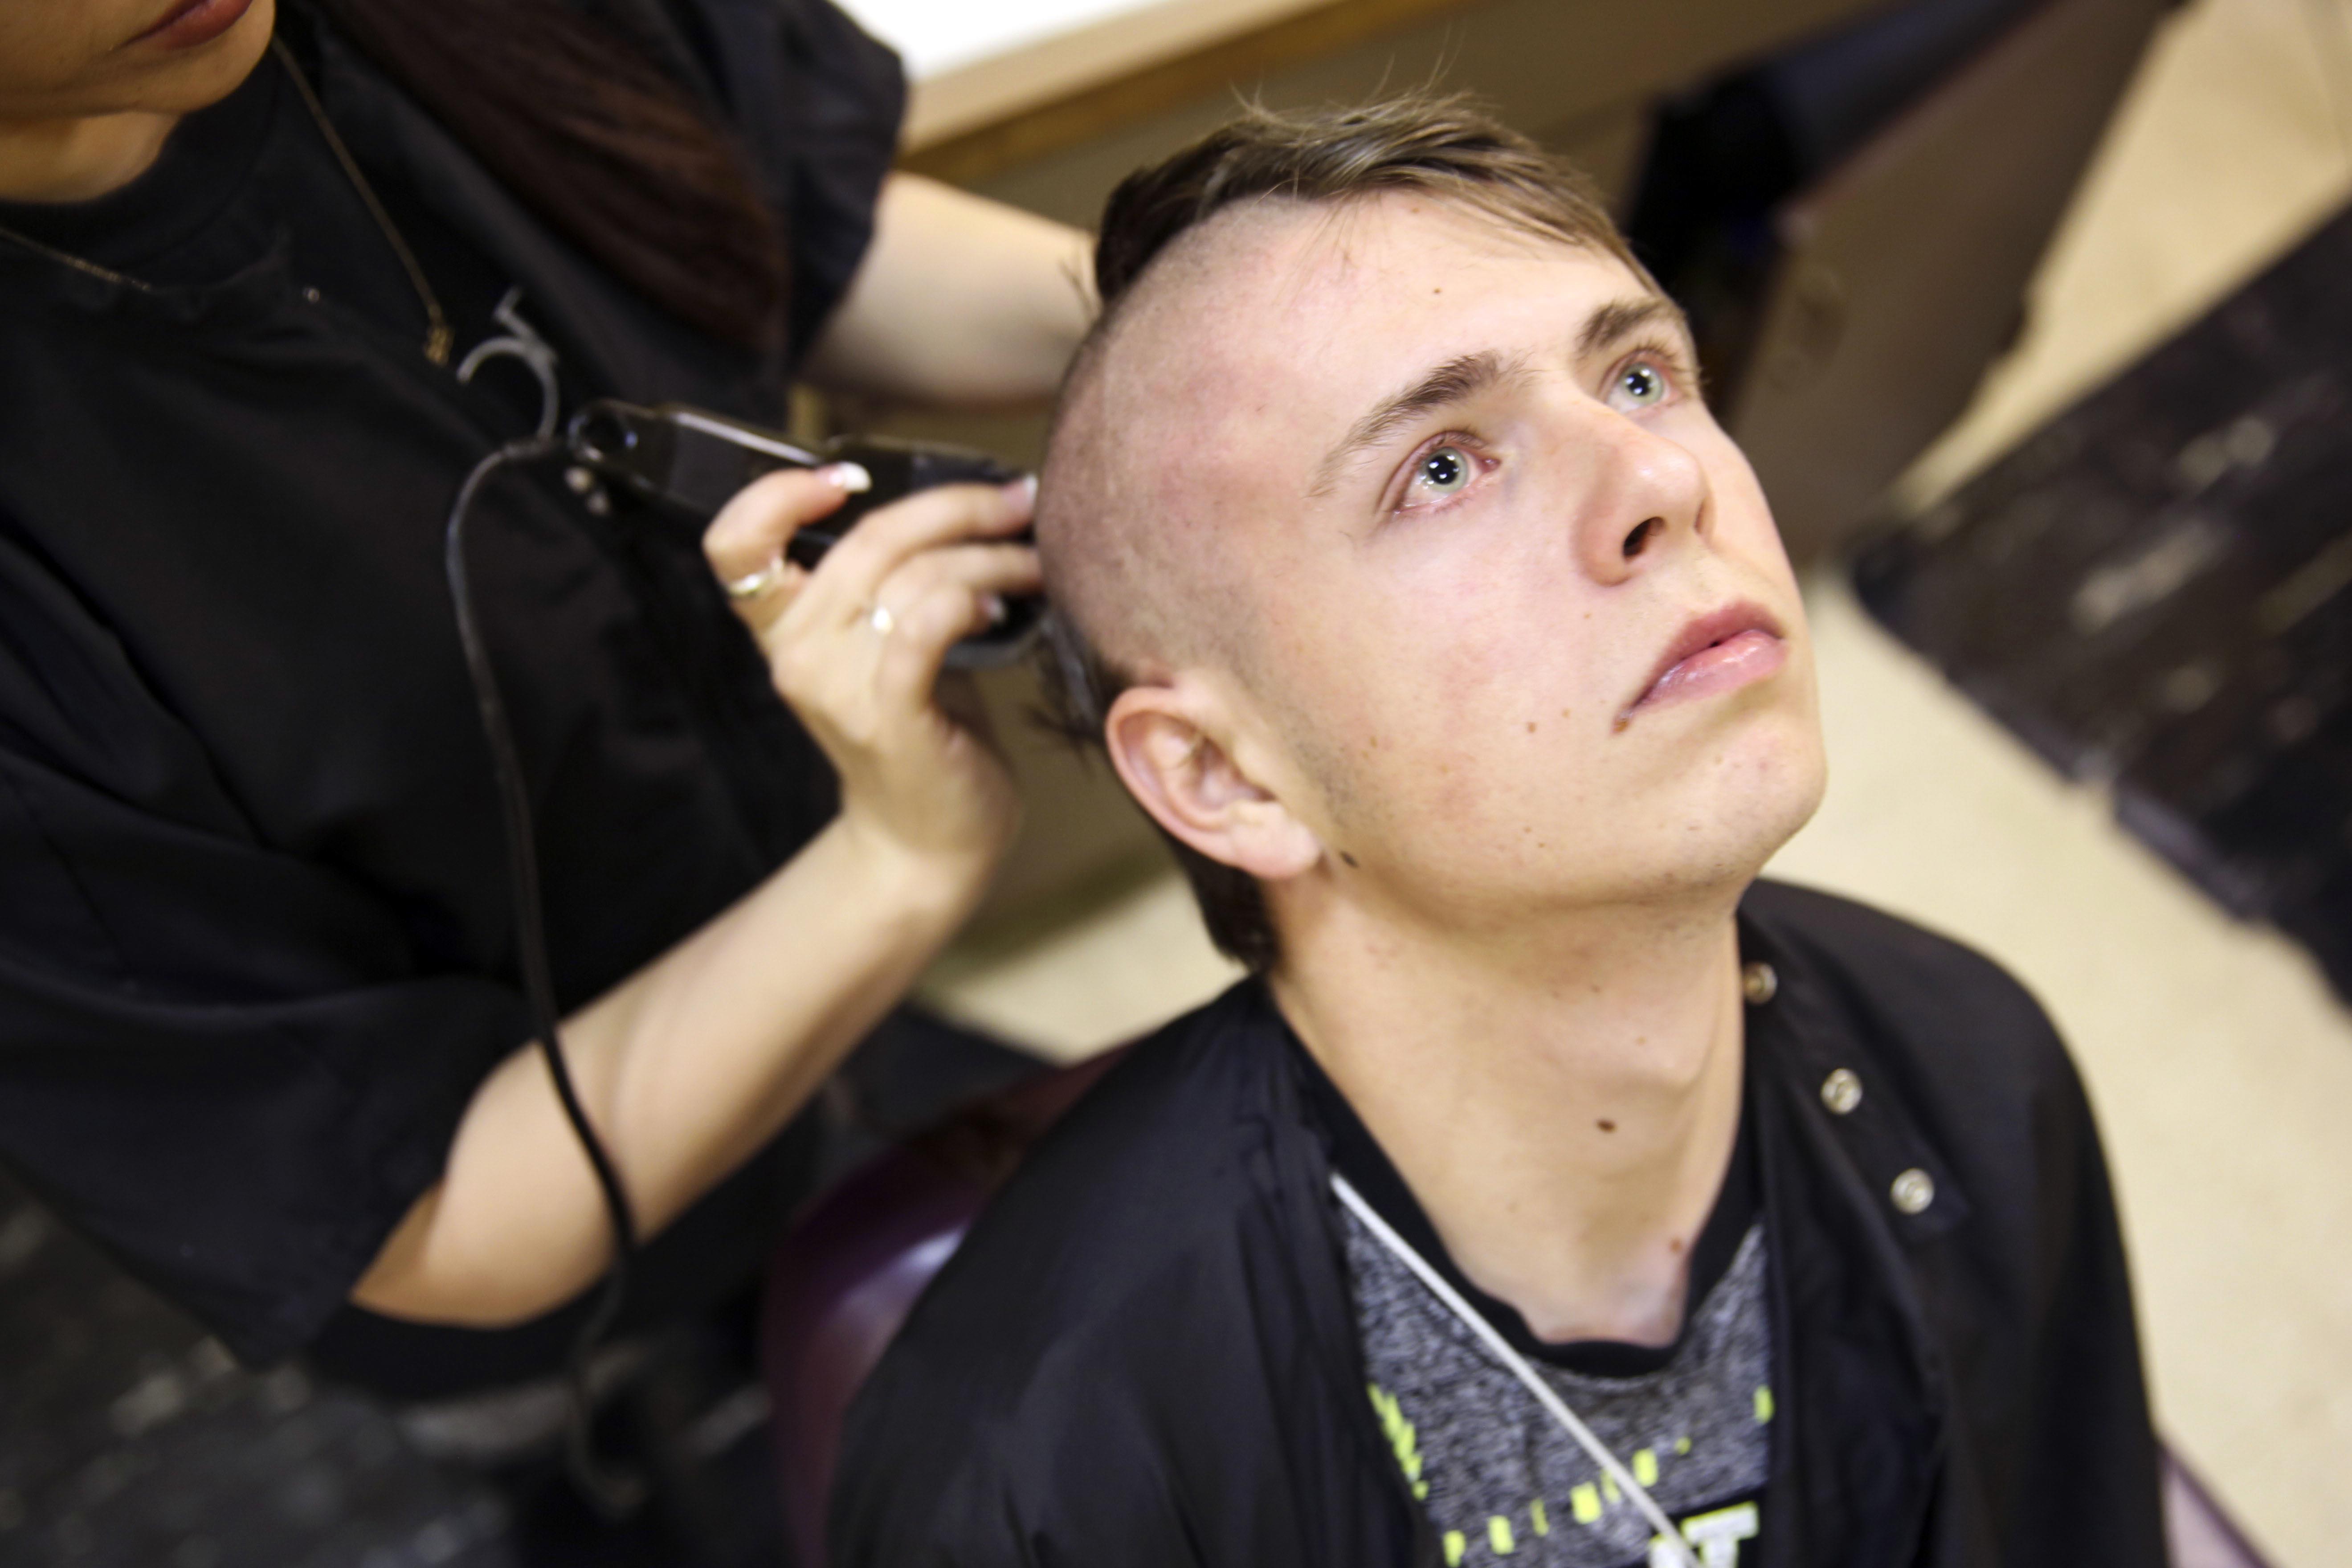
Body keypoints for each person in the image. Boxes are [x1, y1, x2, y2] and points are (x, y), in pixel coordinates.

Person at [832, 99, 2165, 1567]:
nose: (1664, 481)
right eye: (1445, 469)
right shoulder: (1034, 1477)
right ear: (1225, 776)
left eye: (1645, 375)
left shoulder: (1977, 1075)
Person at [0, 0, 1091, 1396]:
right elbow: (423, 1212)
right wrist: (895, 864)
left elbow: (799, 223)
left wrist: (1216, 334)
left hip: (851, 1010)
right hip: (547, 1259)